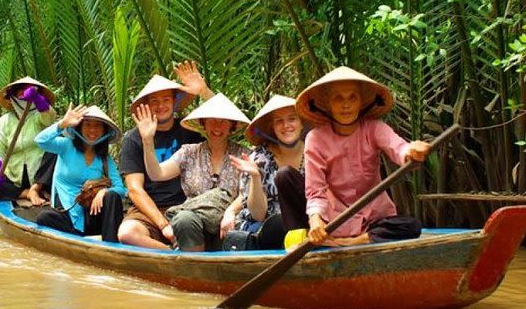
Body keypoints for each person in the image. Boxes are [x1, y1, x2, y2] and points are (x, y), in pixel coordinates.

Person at [295, 66, 430, 247]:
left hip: (375, 218)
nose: (346, 104)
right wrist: (315, 220)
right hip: (338, 220)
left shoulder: (374, 128)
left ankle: (353, 242)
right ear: (328, 104)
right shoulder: (316, 138)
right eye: (338, 98)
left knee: (411, 226)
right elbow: (315, 189)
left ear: (361, 102)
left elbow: (398, 147)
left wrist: (411, 151)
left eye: (353, 97)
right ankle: (336, 239)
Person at [132, 93, 250, 251]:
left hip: (229, 223)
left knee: (240, 227)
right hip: (194, 225)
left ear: (232, 126)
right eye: (212, 121)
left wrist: (230, 212)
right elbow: (156, 174)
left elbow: (247, 192)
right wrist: (147, 141)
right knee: (183, 219)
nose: (217, 126)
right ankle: (193, 266)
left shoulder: (244, 154)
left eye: (223, 122)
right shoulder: (189, 152)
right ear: (203, 124)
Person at [117, 62, 215, 249]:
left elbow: (223, 125)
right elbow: (135, 189)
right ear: (146, 106)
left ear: (174, 101)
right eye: (154, 101)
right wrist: (163, 225)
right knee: (127, 233)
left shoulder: (190, 131)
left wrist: (204, 92)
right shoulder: (134, 138)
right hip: (148, 210)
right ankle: (173, 255)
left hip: (187, 206)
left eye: (166, 100)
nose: (161, 106)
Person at [34, 105, 126, 242]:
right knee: (44, 217)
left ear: (104, 130)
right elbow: (40, 141)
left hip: (92, 214)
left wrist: (104, 192)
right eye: (87, 125)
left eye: (97, 126)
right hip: (67, 213)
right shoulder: (66, 146)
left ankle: (111, 244)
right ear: (80, 127)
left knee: (112, 196)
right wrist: (62, 124)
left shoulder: (105, 159)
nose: (92, 130)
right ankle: (77, 238)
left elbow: (121, 189)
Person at [226, 95, 309, 249]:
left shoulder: (315, 150)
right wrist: (255, 176)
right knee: (280, 225)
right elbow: (258, 214)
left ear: (301, 122)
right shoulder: (259, 157)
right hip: (268, 228)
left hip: (310, 224)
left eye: (292, 119)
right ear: (272, 127)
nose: (286, 125)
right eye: (279, 121)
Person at [0, 77, 56, 205]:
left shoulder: (39, 117)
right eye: (22, 91)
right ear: (13, 97)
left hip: (41, 178)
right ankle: (25, 193)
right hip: (14, 179)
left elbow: (49, 117)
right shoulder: (4, 121)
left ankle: (36, 189)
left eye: (30, 90)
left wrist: (36, 98)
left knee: (55, 151)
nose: (26, 93)